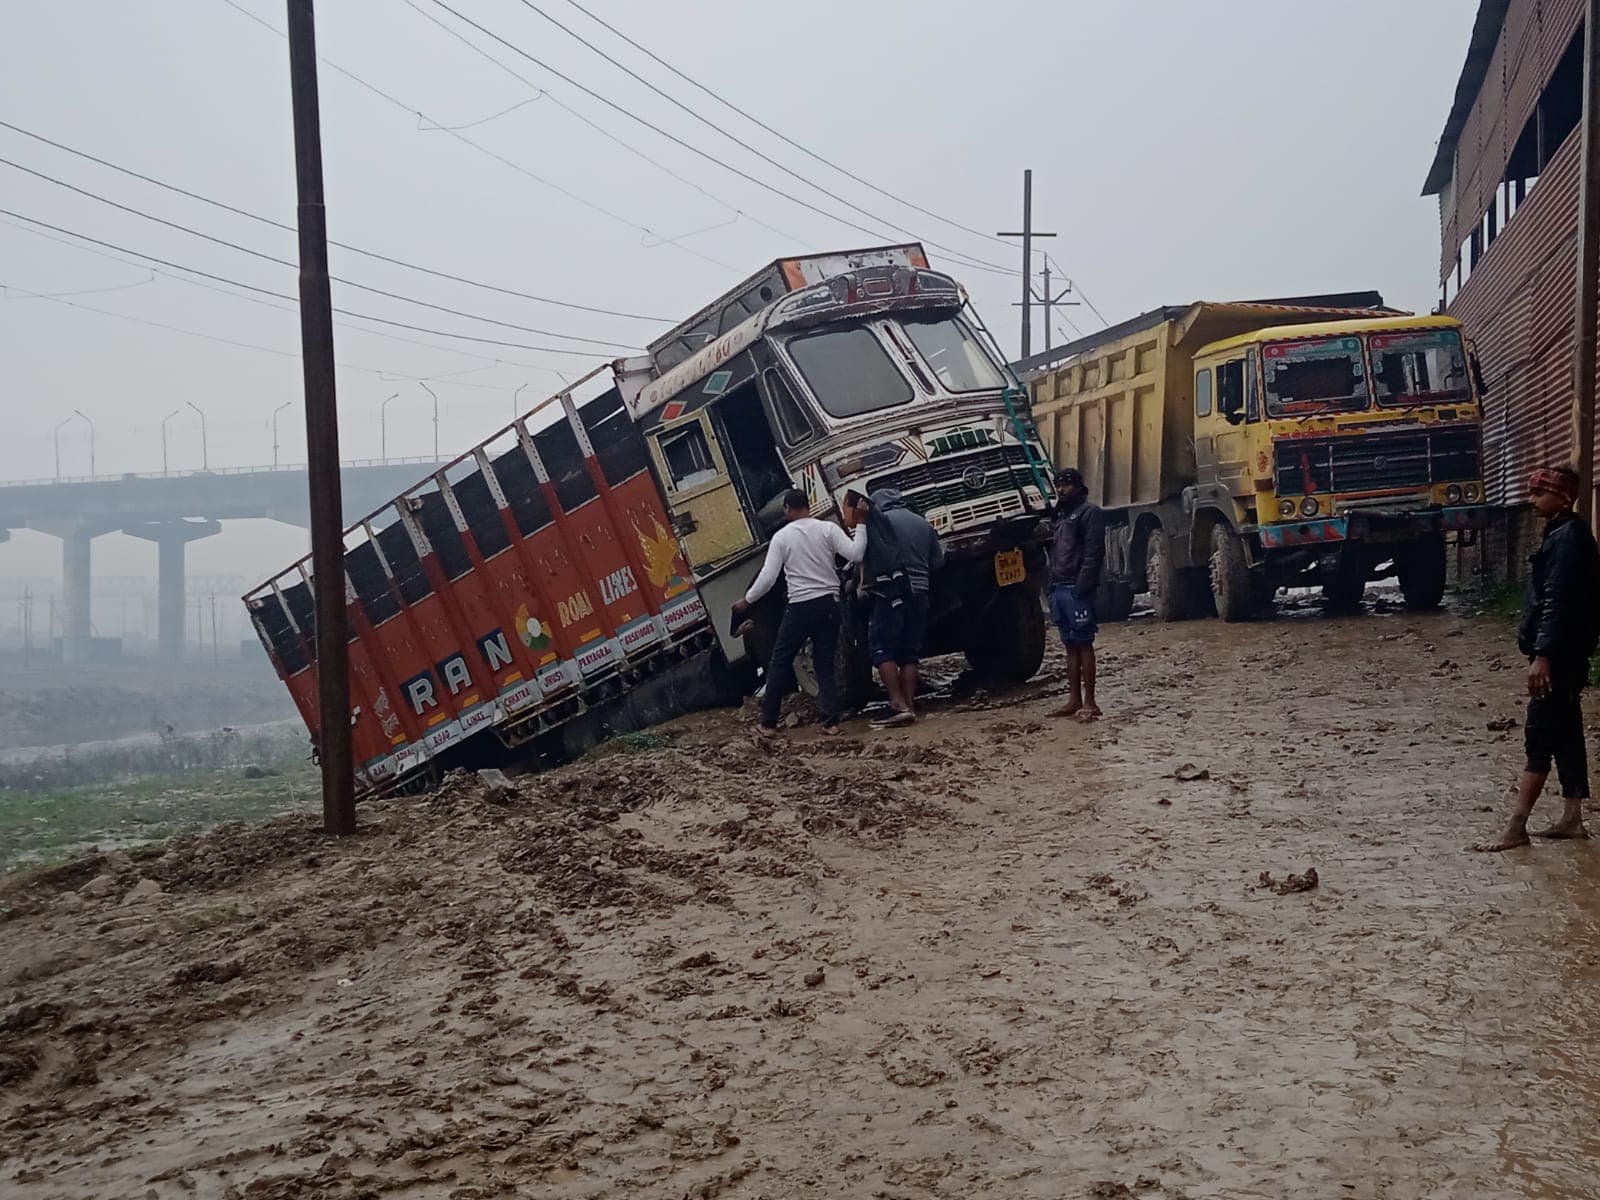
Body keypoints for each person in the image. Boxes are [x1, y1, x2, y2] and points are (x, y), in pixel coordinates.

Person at [1475, 465, 1600, 852]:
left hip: (1559, 655)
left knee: (1540, 734)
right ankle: (1572, 819)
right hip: (1571, 651)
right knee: (1566, 732)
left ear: (1562, 497)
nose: (1531, 500)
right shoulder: (1569, 534)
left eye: (1538, 493)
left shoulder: (1567, 540)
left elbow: (1557, 600)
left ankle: (1516, 826)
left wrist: (1542, 655)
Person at [731, 488, 868, 737]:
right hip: (829, 604)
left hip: (801, 607)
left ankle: (768, 723)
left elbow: (768, 578)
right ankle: (831, 722)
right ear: (808, 505)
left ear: (787, 509)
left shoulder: (782, 537)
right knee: (825, 665)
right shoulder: (828, 529)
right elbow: (856, 553)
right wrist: (861, 524)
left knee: (780, 662)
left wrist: (746, 601)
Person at [859, 488, 943, 727]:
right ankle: (909, 703)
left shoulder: (881, 523)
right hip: (921, 594)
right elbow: (937, 561)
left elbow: (865, 555)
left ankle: (897, 704)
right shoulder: (922, 523)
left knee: (882, 648)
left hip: (891, 593)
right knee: (909, 651)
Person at [1046, 467, 1106, 721]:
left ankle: (1090, 702)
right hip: (1058, 587)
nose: (1061, 490)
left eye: (1067, 485)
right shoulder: (1060, 516)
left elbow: (1094, 552)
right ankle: (1074, 700)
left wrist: (1083, 586)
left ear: (1079, 487)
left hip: (1076, 588)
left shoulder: (1089, 513)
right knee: (1070, 645)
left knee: (1084, 644)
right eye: (1058, 485)